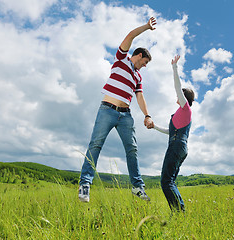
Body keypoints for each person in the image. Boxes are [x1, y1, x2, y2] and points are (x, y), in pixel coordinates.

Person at [78, 17, 157, 203]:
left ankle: (138, 188)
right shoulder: (121, 59)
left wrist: (147, 115)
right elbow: (130, 35)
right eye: (145, 62)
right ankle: (85, 185)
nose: (144, 66)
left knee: (132, 149)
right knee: (95, 145)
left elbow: (140, 96)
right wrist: (146, 27)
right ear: (138, 56)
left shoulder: (138, 77)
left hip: (126, 116)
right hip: (107, 110)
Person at [151, 55, 195, 212]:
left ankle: (178, 212)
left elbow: (177, 86)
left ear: (184, 97)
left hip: (176, 146)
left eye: (181, 95)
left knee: (166, 181)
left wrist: (174, 67)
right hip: (178, 145)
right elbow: (170, 131)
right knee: (170, 181)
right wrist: (154, 126)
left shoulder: (185, 108)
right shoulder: (180, 113)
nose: (178, 97)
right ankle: (179, 211)